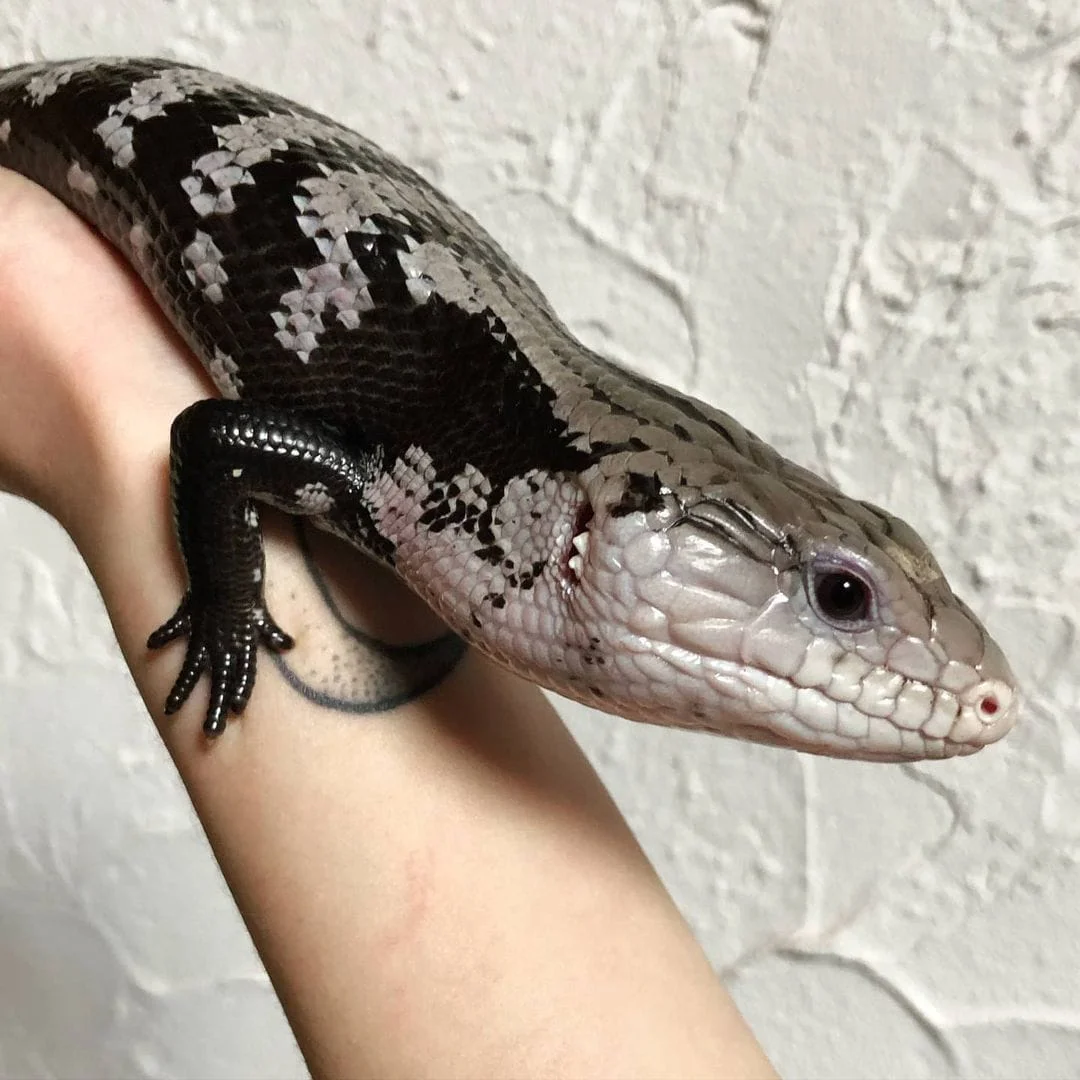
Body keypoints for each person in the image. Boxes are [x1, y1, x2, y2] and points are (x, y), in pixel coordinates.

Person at [0, 164, 777, 1079]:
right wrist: (225, 601)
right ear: (615, 514)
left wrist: (84, 372)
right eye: (839, 601)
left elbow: (221, 439)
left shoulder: (444, 482)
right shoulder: (427, 471)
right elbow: (215, 444)